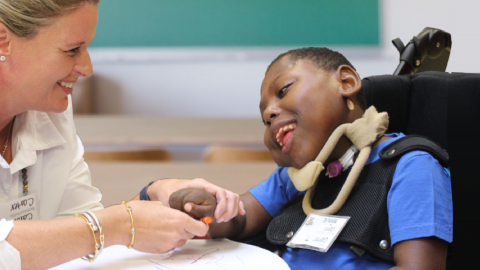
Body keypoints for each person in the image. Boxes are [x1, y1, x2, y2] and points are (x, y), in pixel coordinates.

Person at [0, 1, 244, 269]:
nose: (86, 67)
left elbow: (81, 228)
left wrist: (152, 196)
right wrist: (123, 223)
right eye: (72, 50)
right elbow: (96, 230)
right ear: (3, 42)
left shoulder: (50, 110)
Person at [169, 47, 453, 270]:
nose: (270, 114)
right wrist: (206, 208)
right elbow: (238, 220)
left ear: (346, 81)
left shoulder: (411, 165)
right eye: (264, 119)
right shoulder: (295, 178)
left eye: (283, 91)